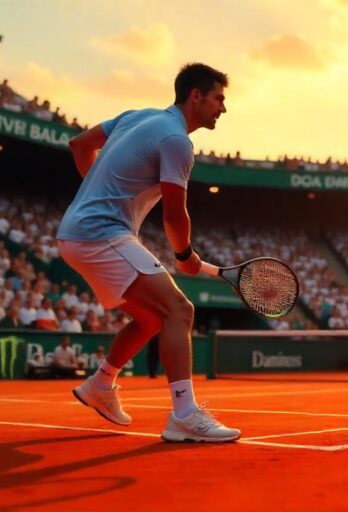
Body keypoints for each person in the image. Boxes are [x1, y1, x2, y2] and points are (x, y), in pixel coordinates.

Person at [56, 63, 238, 442]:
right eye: (219, 98)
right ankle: (185, 416)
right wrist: (185, 254)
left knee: (152, 319)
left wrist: (96, 192)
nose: (223, 108)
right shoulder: (176, 141)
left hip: (77, 233)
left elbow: (79, 144)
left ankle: (100, 385)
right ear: (196, 96)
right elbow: (175, 214)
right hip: (99, 233)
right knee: (180, 310)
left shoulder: (137, 116)